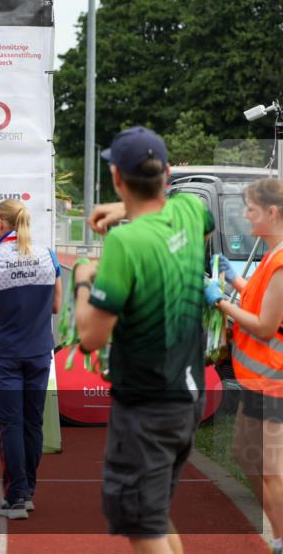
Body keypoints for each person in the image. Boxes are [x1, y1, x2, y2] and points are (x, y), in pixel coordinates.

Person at [74, 127, 214, 554]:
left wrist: (83, 281)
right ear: (167, 173)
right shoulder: (190, 211)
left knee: (143, 527)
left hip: (146, 406)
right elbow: (185, 212)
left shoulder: (125, 244)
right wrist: (123, 209)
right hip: (187, 396)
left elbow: (90, 336)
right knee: (155, 513)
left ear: (117, 176)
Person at [206, 178, 283, 554]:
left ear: (272, 213)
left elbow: (265, 325)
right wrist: (231, 278)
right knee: (244, 454)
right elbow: (255, 297)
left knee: (272, 468)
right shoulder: (271, 255)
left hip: (276, 382)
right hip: (260, 380)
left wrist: (221, 301)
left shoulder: (282, 261)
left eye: (251, 209)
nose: (245, 215)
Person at [0, 199, 62, 520]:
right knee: (32, 422)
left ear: (1, 224)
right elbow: (56, 306)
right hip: (39, 352)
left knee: (10, 424)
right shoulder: (48, 256)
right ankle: (27, 491)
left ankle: (15, 497)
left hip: (5, 354)